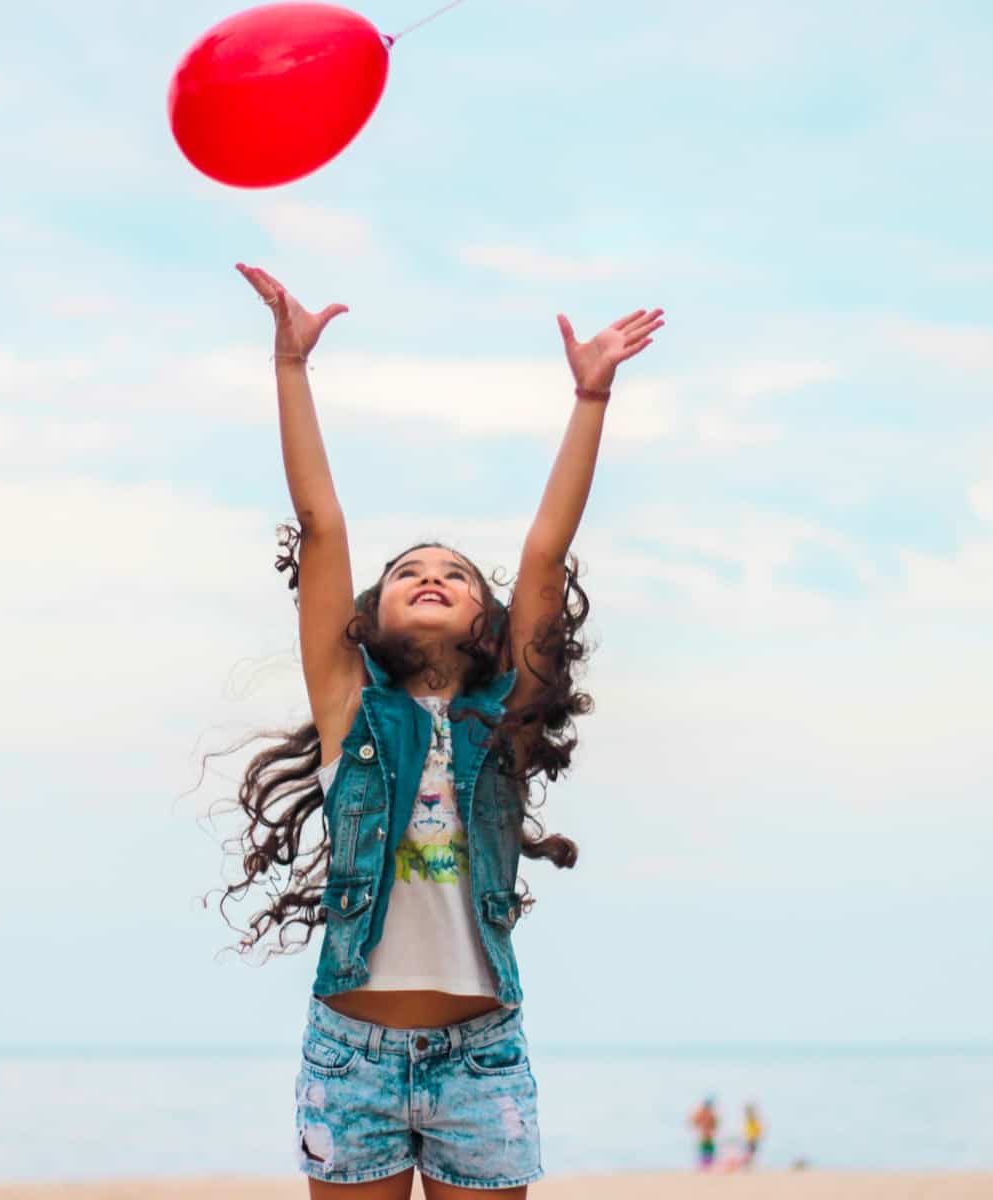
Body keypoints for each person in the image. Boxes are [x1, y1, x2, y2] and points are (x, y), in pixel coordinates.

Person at [222, 263, 663, 1198]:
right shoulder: (353, 711)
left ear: (490, 624)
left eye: (456, 574)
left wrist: (591, 393)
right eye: (409, 571)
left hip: (481, 1056)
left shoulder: (502, 722)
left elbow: (546, 550)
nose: (431, 575)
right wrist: (290, 366)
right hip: (351, 1054)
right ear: (370, 617)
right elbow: (321, 523)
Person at [690, 1097, 719, 1170]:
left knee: (709, 1151)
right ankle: (705, 1166)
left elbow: (715, 1123)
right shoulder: (703, 1113)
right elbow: (694, 1121)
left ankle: (707, 1166)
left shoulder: (710, 1114)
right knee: (705, 1151)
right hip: (705, 1135)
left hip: (708, 1135)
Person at [743, 1101, 764, 1168]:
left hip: (752, 1138)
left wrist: (757, 1134)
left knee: (751, 1153)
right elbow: (756, 1129)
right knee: (750, 1152)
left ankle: (749, 1165)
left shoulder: (752, 1119)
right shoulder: (750, 1119)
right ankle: (748, 1165)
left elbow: (758, 1129)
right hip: (751, 1139)